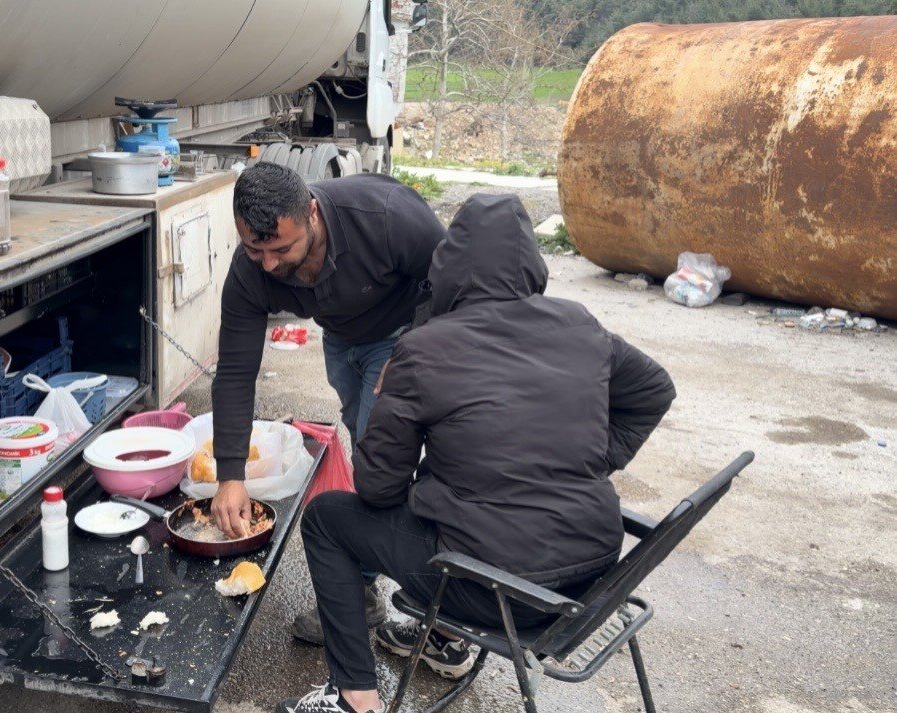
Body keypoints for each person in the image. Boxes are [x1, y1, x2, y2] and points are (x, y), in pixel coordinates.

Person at [277, 193, 677, 713]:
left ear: (448, 267)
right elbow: (654, 390)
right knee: (461, 495)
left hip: (496, 593)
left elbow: (377, 488)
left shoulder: (425, 349)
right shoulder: (579, 323)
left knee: (328, 518)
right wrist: (595, 461)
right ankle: (444, 640)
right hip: (594, 579)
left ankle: (355, 697)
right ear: (532, 262)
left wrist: (390, 407)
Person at [209, 162, 447, 642]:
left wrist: (412, 349)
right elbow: (235, 371)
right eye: (255, 249)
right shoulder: (249, 269)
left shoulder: (385, 216)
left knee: (378, 460)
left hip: (402, 332)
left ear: (313, 214)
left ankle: (383, 596)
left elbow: (452, 278)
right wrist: (230, 474)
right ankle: (368, 585)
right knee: (366, 451)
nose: (268, 264)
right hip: (341, 339)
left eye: (282, 249)